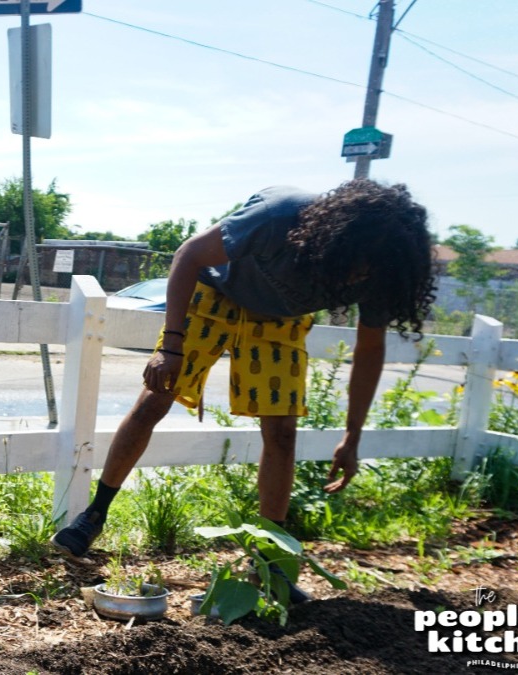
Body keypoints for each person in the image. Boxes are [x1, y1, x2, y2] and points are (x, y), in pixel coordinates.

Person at [51, 180, 436, 601]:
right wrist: (172, 345)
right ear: (342, 237)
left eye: (372, 269)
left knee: (283, 433)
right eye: (357, 262)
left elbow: (369, 350)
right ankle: (94, 515)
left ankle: (270, 564)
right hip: (216, 292)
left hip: (279, 320)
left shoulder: (379, 270)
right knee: (155, 399)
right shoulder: (280, 216)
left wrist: (353, 435)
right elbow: (190, 255)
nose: (359, 276)